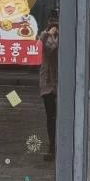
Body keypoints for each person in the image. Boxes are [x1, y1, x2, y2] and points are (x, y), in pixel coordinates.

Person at [39, 9, 59, 161]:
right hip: (48, 84)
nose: (54, 24)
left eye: (56, 21)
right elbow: (46, 47)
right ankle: (52, 146)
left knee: (60, 116)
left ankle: (59, 145)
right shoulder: (45, 36)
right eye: (51, 21)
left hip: (61, 82)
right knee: (50, 116)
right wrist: (49, 33)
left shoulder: (67, 35)